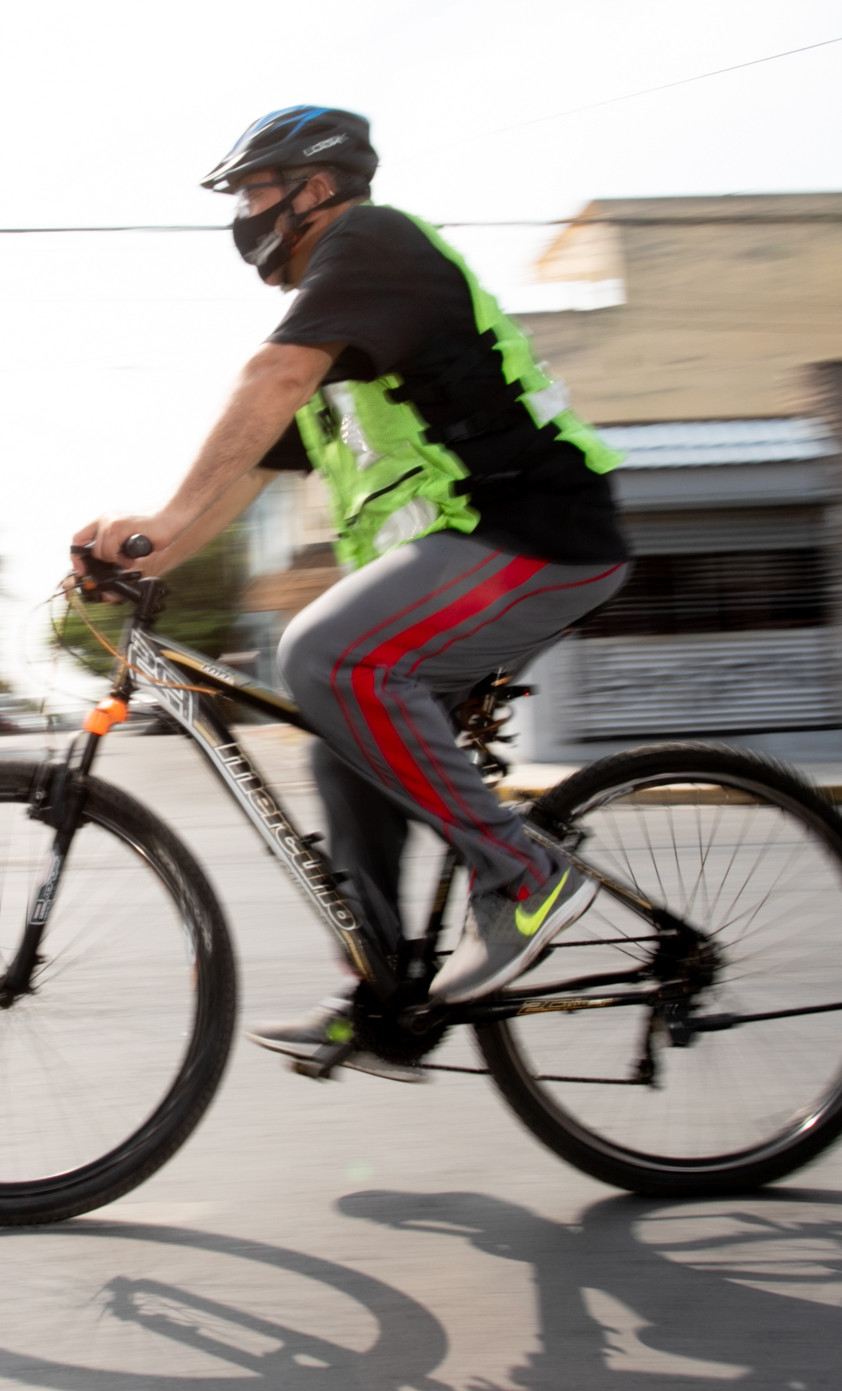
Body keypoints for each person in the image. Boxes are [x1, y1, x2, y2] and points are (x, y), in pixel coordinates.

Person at [72, 106, 632, 1081]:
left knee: (325, 656)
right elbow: (241, 478)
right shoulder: (350, 336)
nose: (245, 214)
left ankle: (526, 874)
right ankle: (385, 1001)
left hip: (541, 535)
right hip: (481, 551)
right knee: (344, 751)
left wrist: (160, 519)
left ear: (316, 190)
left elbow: (272, 374)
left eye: (255, 192)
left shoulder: (371, 243)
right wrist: (145, 552)